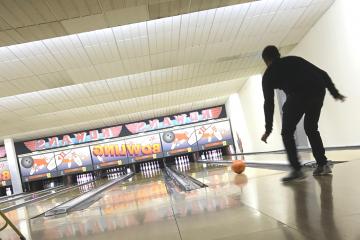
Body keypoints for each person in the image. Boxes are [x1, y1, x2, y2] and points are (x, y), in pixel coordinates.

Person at [260, 45, 346, 182]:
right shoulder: (295, 59)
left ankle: (297, 170)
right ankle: (323, 165)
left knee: (287, 132)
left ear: (266, 61)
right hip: (318, 91)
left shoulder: (268, 75)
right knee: (311, 127)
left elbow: (269, 103)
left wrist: (268, 129)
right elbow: (323, 73)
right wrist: (335, 93)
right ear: (278, 54)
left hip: (298, 94)